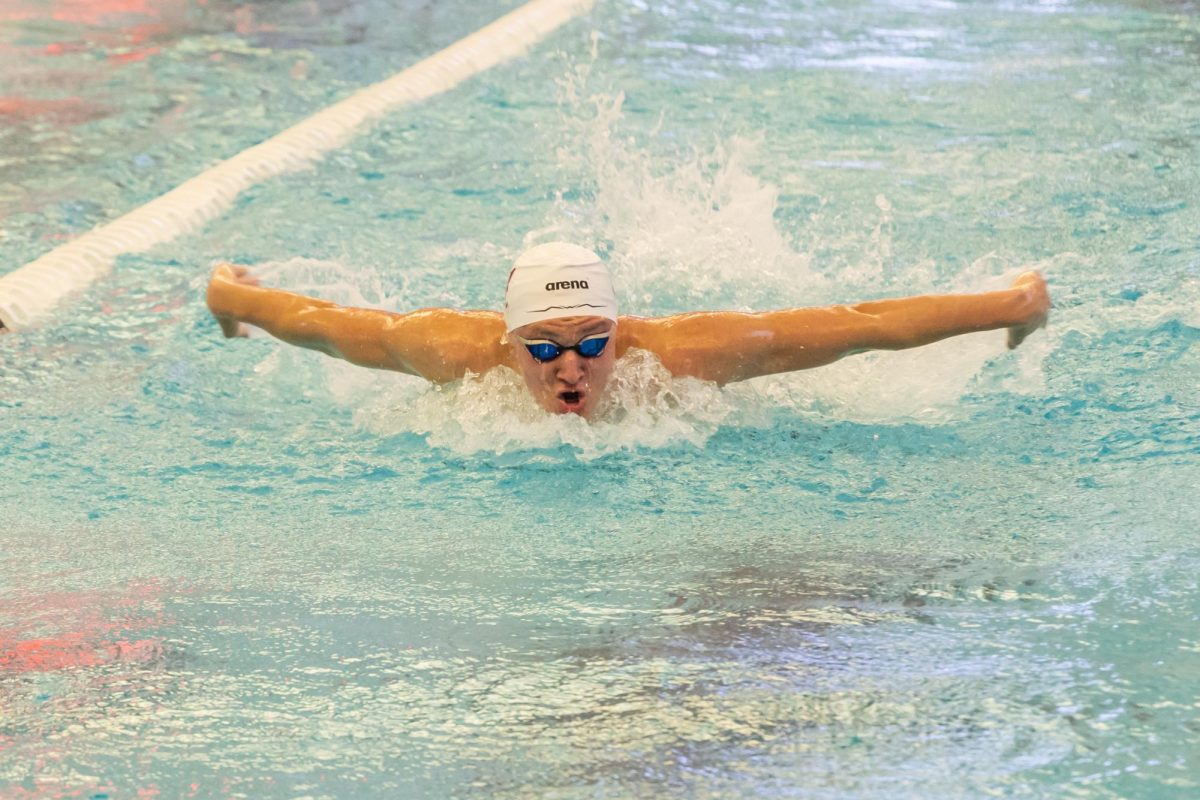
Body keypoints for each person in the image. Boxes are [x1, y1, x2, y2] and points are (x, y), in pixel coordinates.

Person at [206, 242, 1050, 419]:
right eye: (543, 347)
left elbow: (862, 326)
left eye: (591, 343)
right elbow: (319, 325)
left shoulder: (686, 355)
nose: (569, 366)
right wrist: (232, 299)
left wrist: (1010, 306)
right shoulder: (449, 350)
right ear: (509, 345)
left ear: (621, 335)